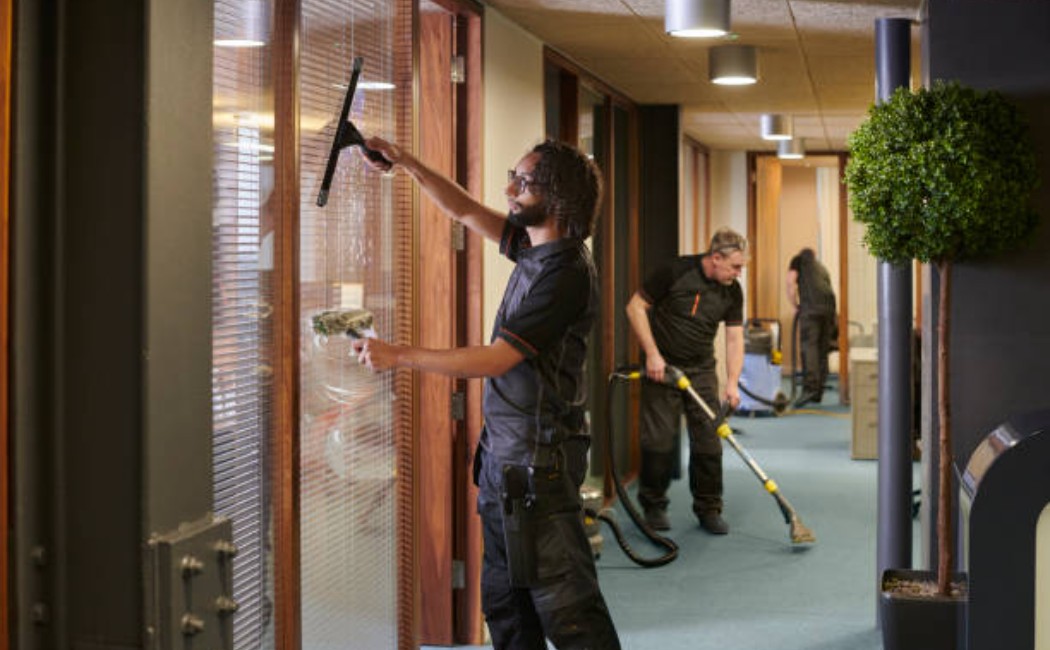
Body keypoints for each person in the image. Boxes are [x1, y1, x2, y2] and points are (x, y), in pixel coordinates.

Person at [351, 137, 621, 650]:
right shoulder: (534, 248)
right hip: (503, 462)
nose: (509, 190)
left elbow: (497, 357)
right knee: (506, 608)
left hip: (539, 467)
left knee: (569, 614)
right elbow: (466, 210)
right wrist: (407, 161)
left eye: (523, 182)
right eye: (512, 177)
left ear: (558, 196)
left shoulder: (565, 275)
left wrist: (399, 355)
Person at [624, 228, 747, 535]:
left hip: (702, 370)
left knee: (708, 441)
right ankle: (653, 505)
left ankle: (709, 508)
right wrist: (652, 354)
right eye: (735, 266)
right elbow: (634, 307)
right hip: (662, 369)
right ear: (715, 258)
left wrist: (732, 382)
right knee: (659, 441)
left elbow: (734, 338)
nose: (739, 272)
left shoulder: (732, 290)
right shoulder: (675, 271)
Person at [785, 247, 837, 406]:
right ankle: (817, 391)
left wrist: (794, 305)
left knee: (809, 347)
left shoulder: (798, 261)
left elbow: (790, 281)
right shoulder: (821, 268)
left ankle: (810, 389)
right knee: (822, 348)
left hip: (811, 308)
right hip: (829, 309)